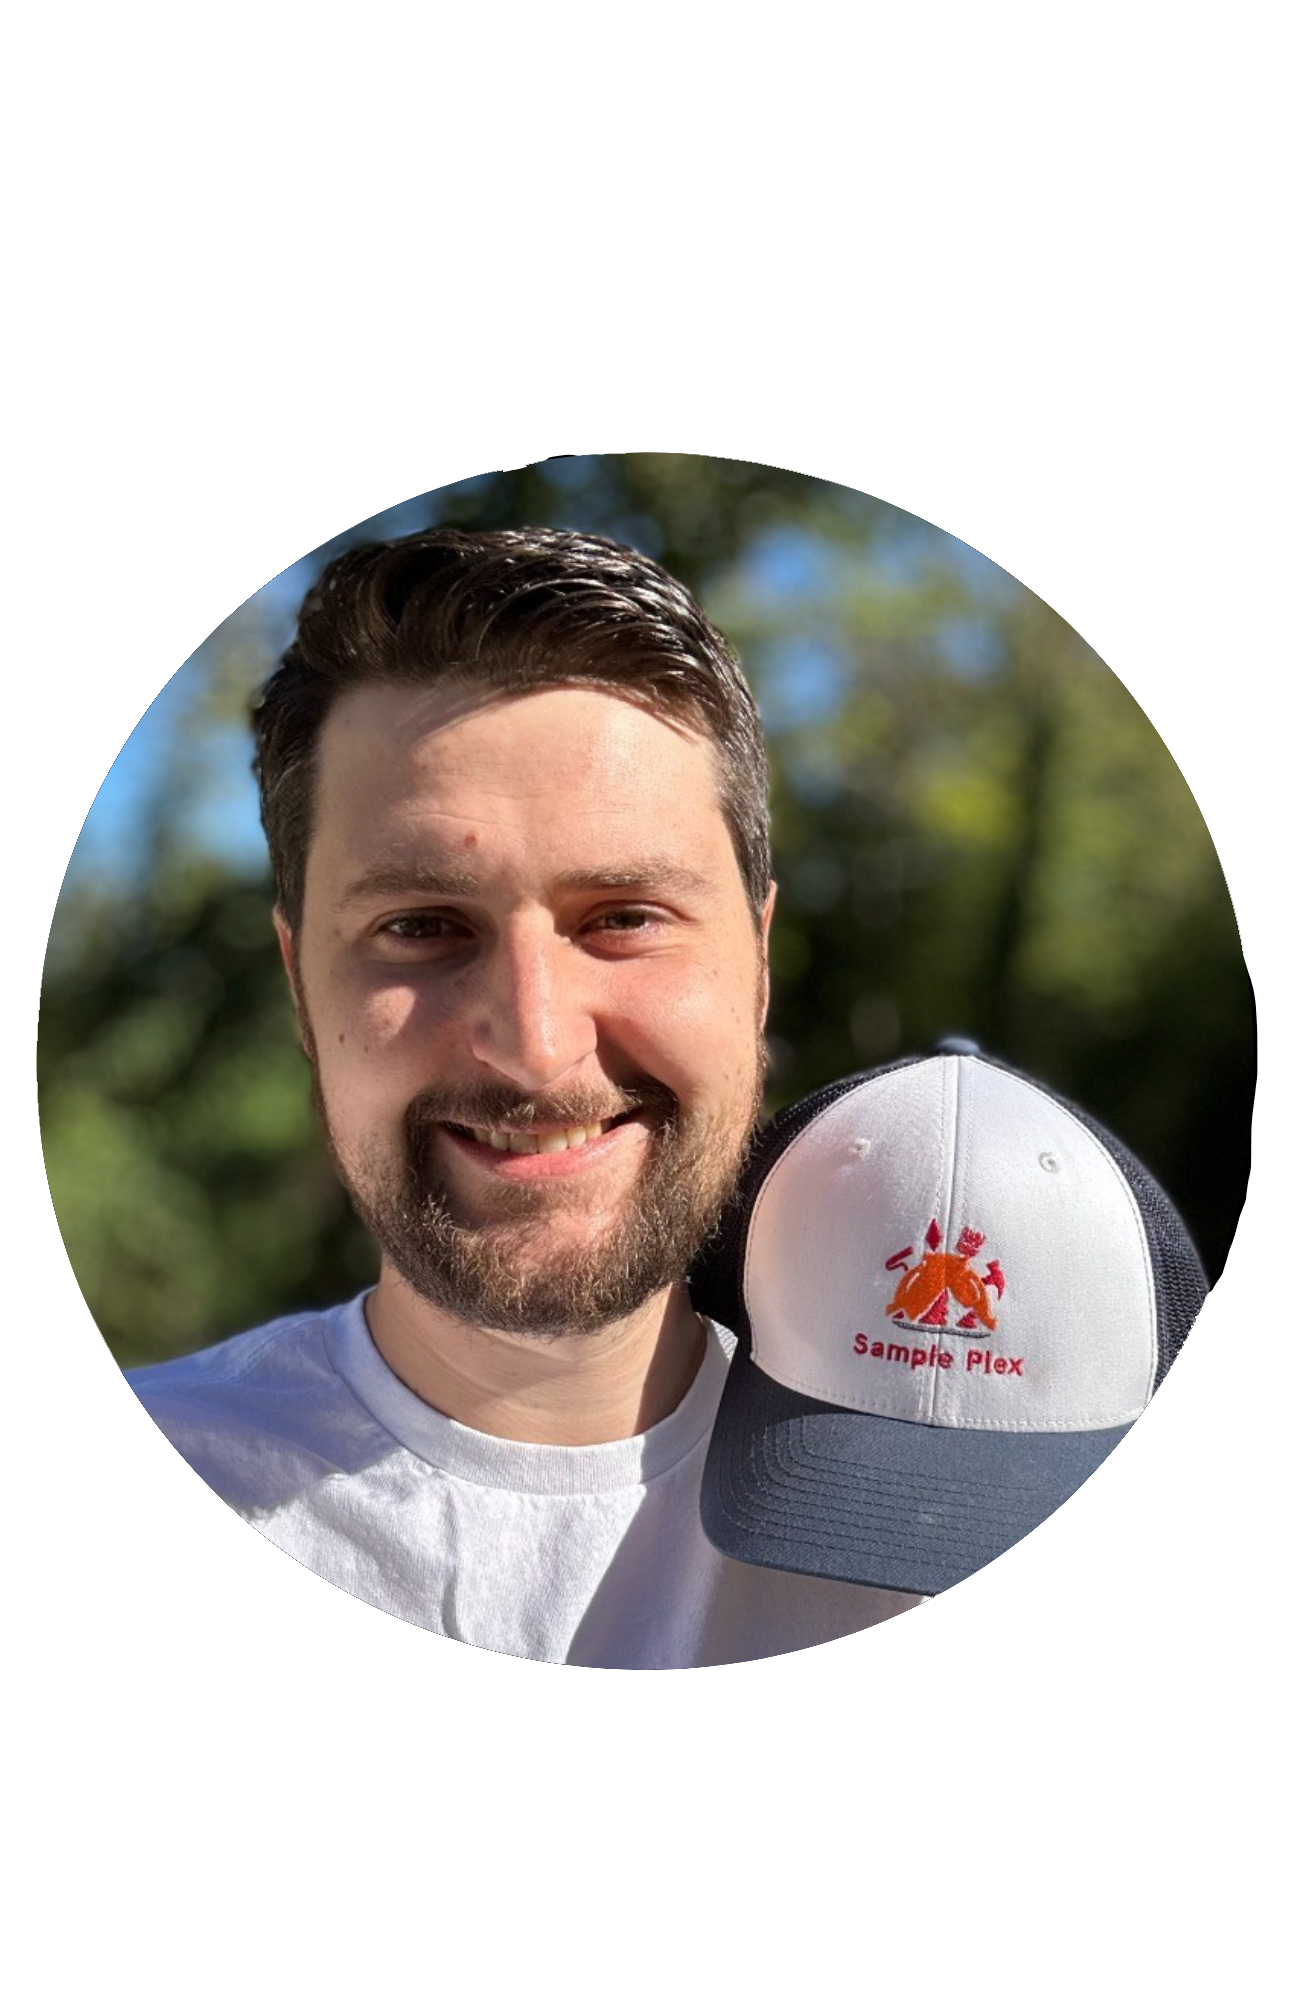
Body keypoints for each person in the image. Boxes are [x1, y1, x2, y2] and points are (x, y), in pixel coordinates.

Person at [125, 526, 925, 1667]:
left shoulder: (955, 1531)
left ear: (756, 961)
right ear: (303, 987)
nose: (539, 1051)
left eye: (624, 916)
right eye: (420, 926)